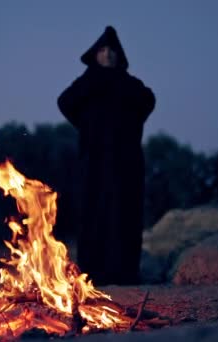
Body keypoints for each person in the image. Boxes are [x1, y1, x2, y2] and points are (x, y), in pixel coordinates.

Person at [57, 26, 155, 285]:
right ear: (95, 55)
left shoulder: (130, 84)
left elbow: (148, 100)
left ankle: (125, 274)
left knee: (125, 215)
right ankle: (92, 275)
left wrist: (128, 124)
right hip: (93, 162)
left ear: (119, 55)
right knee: (93, 215)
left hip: (127, 163)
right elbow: (64, 102)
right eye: (102, 50)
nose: (108, 54)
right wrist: (88, 125)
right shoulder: (87, 83)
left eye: (112, 50)